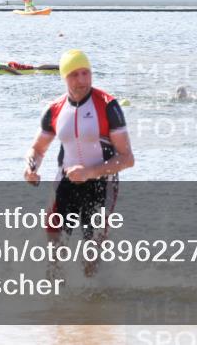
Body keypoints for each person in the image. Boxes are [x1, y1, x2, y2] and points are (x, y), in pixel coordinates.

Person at [23, 49, 135, 276]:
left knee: (90, 256)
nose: (82, 80)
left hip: (102, 184)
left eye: (86, 73)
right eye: (75, 74)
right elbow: (37, 149)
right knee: (53, 249)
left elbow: (127, 158)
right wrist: (31, 168)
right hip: (66, 182)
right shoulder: (54, 109)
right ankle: (57, 302)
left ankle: (93, 294)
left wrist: (90, 172)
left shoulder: (108, 106)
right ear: (64, 77)